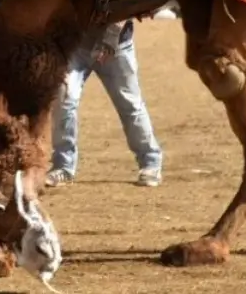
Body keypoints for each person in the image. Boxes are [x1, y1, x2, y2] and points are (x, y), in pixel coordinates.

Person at [45, 19, 164, 188]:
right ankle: (63, 166)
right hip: (76, 45)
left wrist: (111, 37)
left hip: (116, 47)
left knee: (130, 105)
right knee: (63, 98)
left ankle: (150, 162)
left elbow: (126, 2)